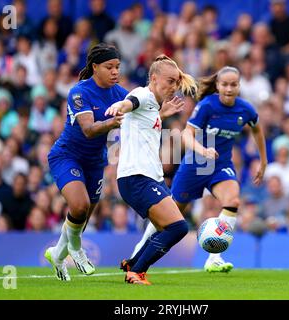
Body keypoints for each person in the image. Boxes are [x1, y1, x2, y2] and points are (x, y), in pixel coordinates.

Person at [122, 66, 267, 273]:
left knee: (233, 200)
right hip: (195, 166)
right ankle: (139, 250)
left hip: (221, 165)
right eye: (224, 84)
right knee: (168, 216)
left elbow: (257, 128)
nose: (228, 89)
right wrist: (203, 150)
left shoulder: (245, 109)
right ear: (217, 86)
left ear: (239, 86)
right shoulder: (207, 106)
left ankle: (214, 257)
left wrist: (263, 161)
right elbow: (186, 135)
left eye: (233, 85)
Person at [105, 55, 197, 285]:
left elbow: (142, 117)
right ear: (154, 78)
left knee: (163, 226)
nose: (174, 86)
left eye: (176, 82)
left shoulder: (153, 106)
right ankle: (137, 271)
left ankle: (133, 262)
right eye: (170, 81)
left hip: (147, 178)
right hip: (138, 177)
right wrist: (120, 105)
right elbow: (131, 102)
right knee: (177, 227)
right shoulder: (143, 95)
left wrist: (161, 115)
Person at [44, 43, 127, 281]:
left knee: (82, 216)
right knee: (79, 206)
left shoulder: (120, 94)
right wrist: (112, 123)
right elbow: (89, 130)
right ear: (95, 67)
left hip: (94, 161)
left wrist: (161, 112)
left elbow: (143, 107)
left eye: (117, 67)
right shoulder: (79, 92)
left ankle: (57, 255)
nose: (115, 72)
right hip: (67, 155)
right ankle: (77, 251)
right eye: (109, 67)